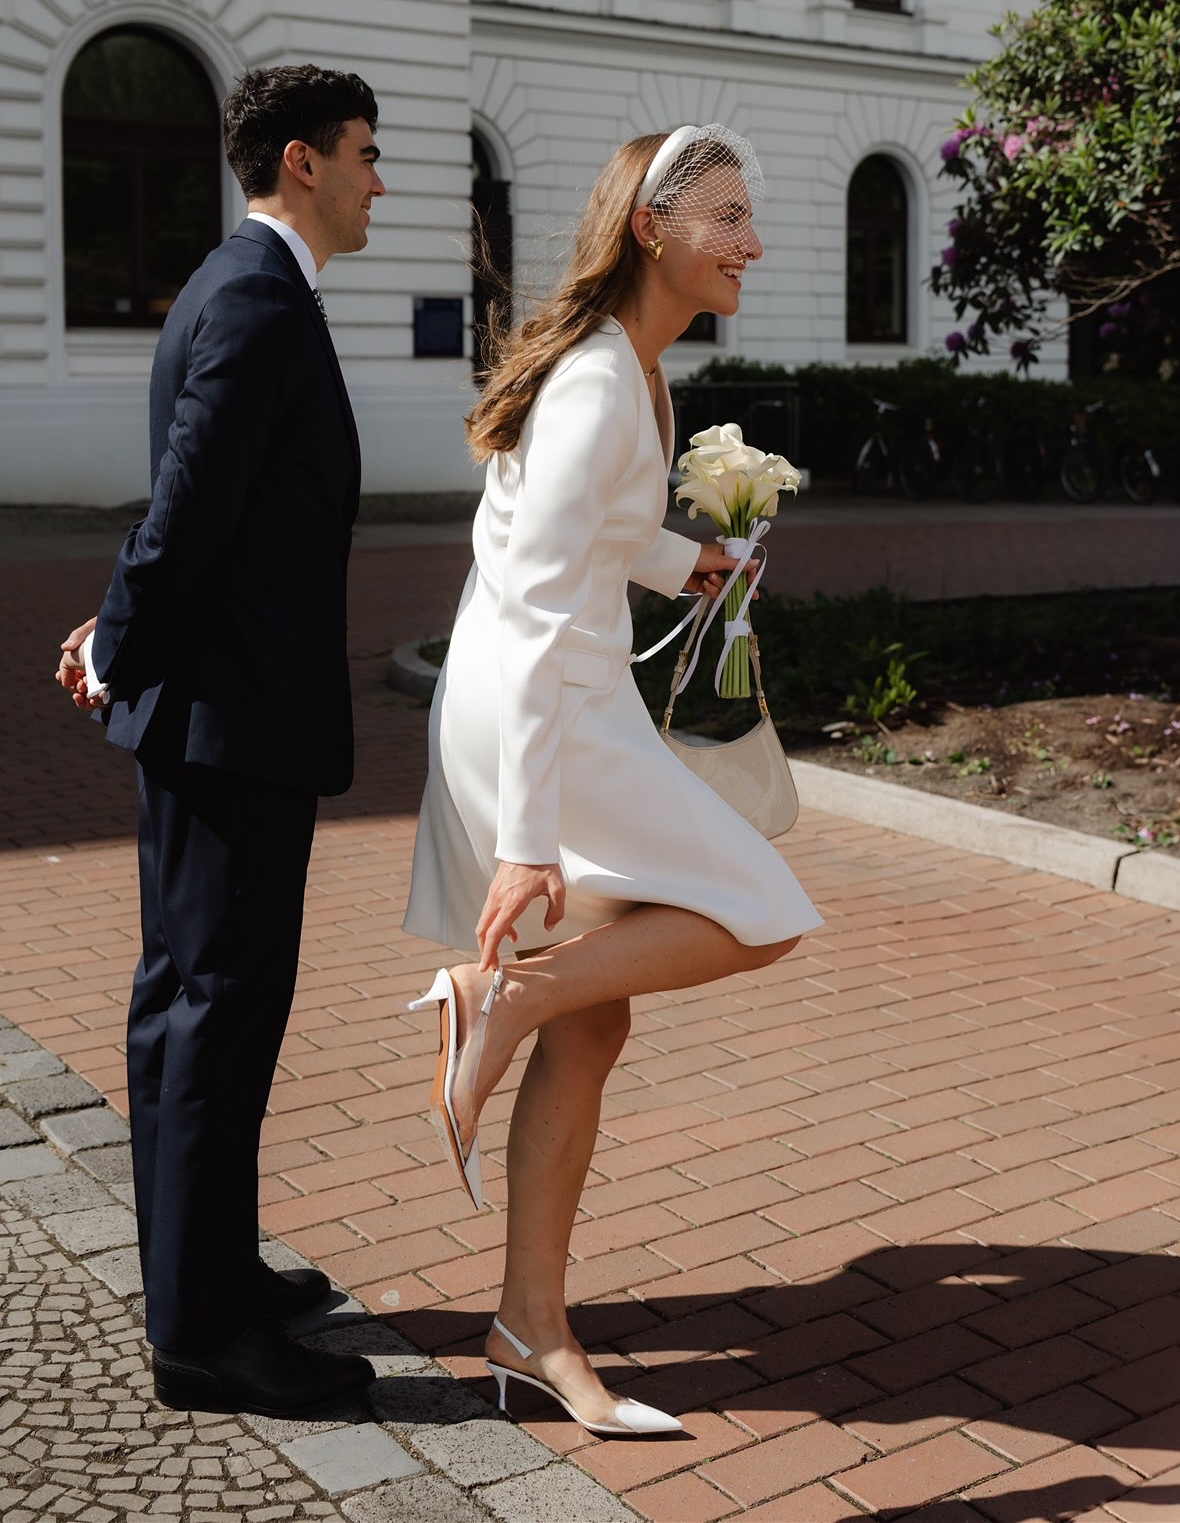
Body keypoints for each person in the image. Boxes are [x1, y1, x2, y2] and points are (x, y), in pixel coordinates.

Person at [401, 125, 824, 1437]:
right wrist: (527, 842)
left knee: (600, 1021)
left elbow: (575, 537)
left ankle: (530, 1328)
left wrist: (679, 561)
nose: (751, 243)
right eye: (729, 218)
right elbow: (531, 614)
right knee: (756, 908)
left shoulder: (627, 373)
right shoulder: (597, 384)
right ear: (653, 229)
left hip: (544, 695)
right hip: (553, 710)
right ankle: (496, 999)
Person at [55, 65, 384, 1420]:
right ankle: (202, 1332)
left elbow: (208, 499)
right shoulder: (254, 296)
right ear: (300, 162)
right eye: (366, 153)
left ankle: (207, 1274)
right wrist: (119, 638)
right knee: (212, 1014)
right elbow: (189, 507)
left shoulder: (231, 285)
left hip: (220, 711)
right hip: (229, 720)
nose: (379, 177)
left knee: (191, 1009)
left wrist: (114, 623)